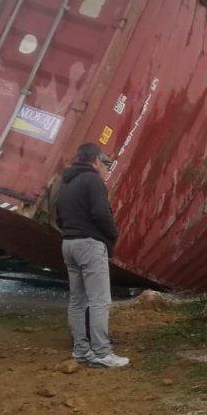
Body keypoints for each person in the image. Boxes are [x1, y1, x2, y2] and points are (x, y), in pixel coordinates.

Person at [54, 143, 128, 368]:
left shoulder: (65, 183)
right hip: (89, 244)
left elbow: (57, 216)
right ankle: (102, 353)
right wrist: (112, 235)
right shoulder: (92, 180)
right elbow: (100, 212)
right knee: (99, 301)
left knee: (78, 301)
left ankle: (81, 350)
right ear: (96, 160)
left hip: (68, 243)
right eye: (103, 163)